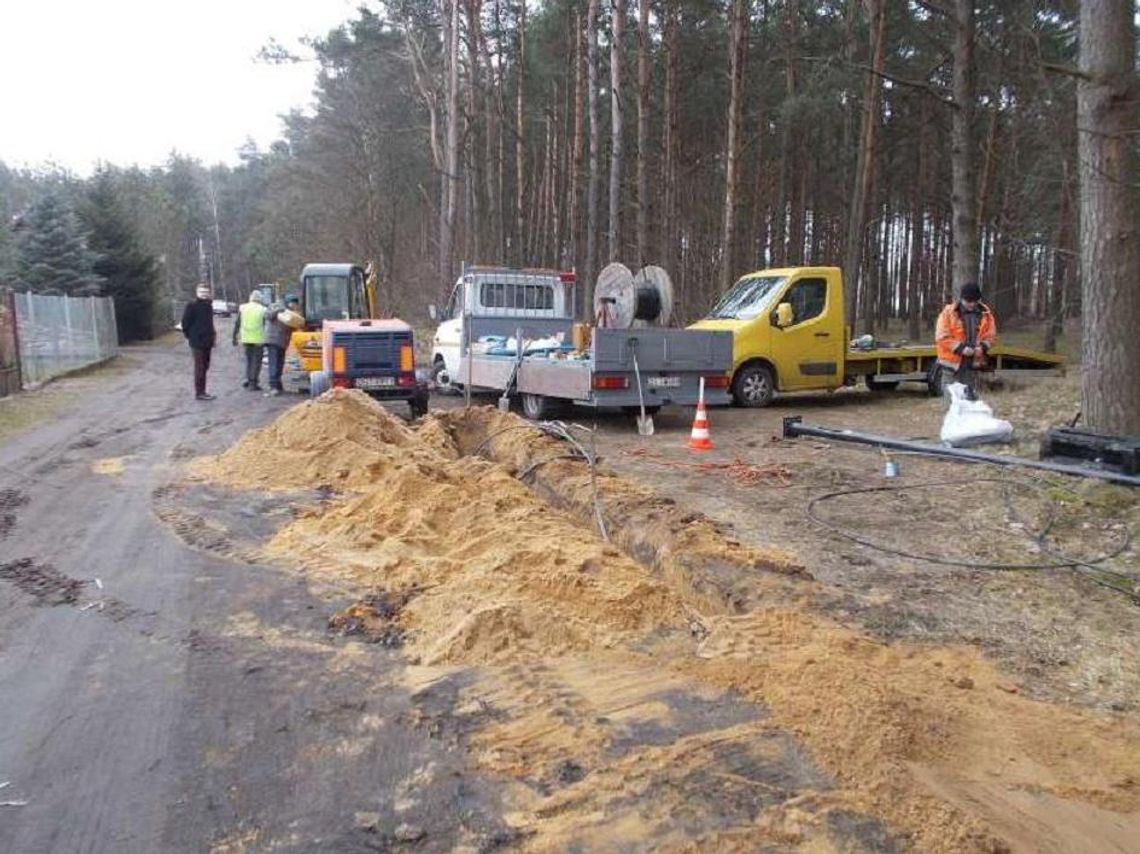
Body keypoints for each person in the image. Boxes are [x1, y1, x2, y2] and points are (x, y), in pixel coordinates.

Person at [936, 282, 997, 399]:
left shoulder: (986, 315)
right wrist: (960, 348)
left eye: (974, 301)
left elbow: (991, 336)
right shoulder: (947, 313)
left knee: (970, 403)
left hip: (972, 367)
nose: (971, 304)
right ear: (962, 298)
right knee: (952, 403)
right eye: (968, 301)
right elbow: (941, 337)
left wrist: (983, 347)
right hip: (951, 367)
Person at [180, 283, 216, 401]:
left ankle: (203, 390)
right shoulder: (192, 305)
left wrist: (213, 337)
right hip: (197, 341)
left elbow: (210, 324)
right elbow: (185, 323)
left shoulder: (209, 306)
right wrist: (189, 335)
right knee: (199, 368)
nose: (204, 295)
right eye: (202, 292)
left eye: (206, 292)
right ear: (197, 293)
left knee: (205, 366)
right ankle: (199, 392)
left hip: (207, 341)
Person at [262, 293, 299, 396]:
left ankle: (278, 385)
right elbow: (267, 315)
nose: (295, 307)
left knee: (279, 363)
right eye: (294, 304)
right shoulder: (276, 307)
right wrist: (280, 310)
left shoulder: (290, 313)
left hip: (282, 341)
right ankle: (273, 386)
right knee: (274, 363)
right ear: (289, 302)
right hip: (273, 340)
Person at [232, 290, 268, 391]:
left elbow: (237, 323)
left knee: (248, 360)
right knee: (256, 362)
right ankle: (253, 383)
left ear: (250, 297)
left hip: (246, 338)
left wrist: (234, 336)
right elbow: (266, 325)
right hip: (258, 339)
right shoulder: (263, 309)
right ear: (260, 299)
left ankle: (247, 379)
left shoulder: (242, 307)